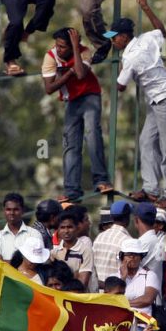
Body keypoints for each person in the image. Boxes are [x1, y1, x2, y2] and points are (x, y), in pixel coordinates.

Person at [109, 0, 166, 205]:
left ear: (124, 36)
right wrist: (146, 8)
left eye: (115, 37)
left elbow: (120, 86)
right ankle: (151, 188)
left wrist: (123, 69)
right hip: (158, 100)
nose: (113, 42)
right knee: (146, 140)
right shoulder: (147, 38)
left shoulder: (131, 56)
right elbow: (162, 30)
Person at [42, 26, 111, 203]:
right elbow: (49, 88)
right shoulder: (51, 57)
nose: (59, 49)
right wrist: (69, 73)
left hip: (90, 96)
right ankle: (72, 190)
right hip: (71, 101)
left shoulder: (84, 52)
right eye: (57, 45)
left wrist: (75, 49)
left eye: (63, 46)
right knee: (71, 144)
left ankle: (101, 180)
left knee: (92, 134)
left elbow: (80, 74)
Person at [51, 210, 97, 292]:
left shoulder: (85, 251)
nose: (66, 231)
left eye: (70, 227)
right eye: (62, 227)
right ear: (58, 229)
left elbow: (81, 284)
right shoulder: (55, 252)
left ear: (77, 228)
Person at [0, 192, 43, 261]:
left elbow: (37, 260)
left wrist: (4, 262)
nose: (12, 213)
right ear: (4, 211)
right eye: (8, 209)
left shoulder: (34, 234)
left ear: (23, 211)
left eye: (16, 209)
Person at [93, 201, 133, 282]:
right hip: (115, 291)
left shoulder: (100, 236)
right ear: (127, 218)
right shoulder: (128, 241)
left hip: (97, 292)